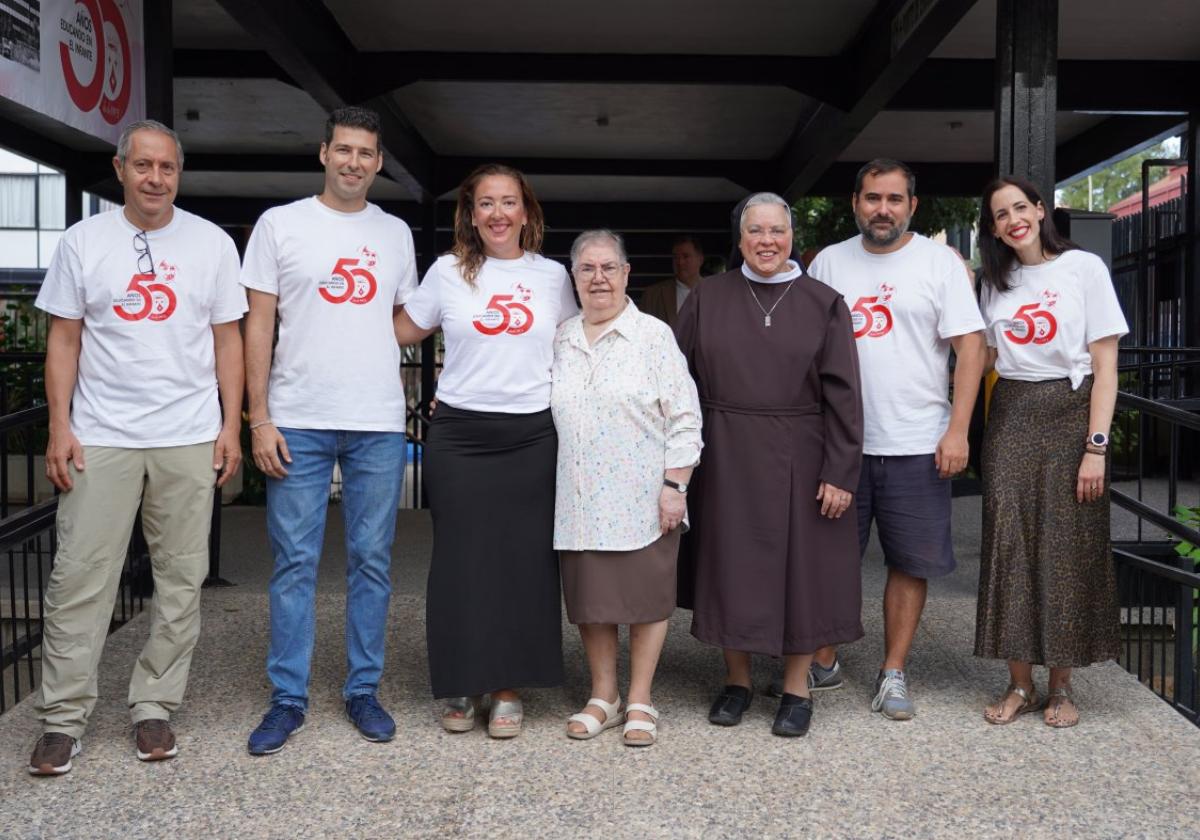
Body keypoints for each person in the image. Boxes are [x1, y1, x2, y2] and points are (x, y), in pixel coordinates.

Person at [28, 120, 245, 775]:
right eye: (143, 166)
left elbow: (227, 340)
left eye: (167, 168)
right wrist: (59, 426)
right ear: (120, 168)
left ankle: (154, 707)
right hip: (102, 436)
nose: (155, 179)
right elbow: (64, 339)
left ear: (179, 173)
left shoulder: (210, 244)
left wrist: (230, 424)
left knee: (180, 583)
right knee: (78, 582)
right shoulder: (82, 242)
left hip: (186, 436)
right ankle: (62, 720)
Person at [240, 107, 418, 755]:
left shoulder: (396, 233)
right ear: (323, 153)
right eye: (343, 150)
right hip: (297, 419)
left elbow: (401, 320)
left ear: (377, 163)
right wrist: (258, 416)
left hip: (375, 420)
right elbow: (257, 324)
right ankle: (288, 697)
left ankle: (362, 690)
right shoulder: (281, 225)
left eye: (366, 153)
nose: (353, 162)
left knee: (372, 563)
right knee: (294, 564)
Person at [393, 164, 577, 737]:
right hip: (461, 436)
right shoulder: (446, 273)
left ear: (527, 211)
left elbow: (577, 344)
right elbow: (402, 332)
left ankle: (506, 686)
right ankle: (463, 680)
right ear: (470, 214)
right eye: (486, 204)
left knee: (523, 563)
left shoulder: (553, 277)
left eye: (509, 202)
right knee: (460, 562)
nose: (498, 214)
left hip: (530, 436)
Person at [805, 159, 987, 720]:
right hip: (842, 444)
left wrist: (958, 430)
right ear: (854, 203)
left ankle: (893, 672)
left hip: (917, 441)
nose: (882, 209)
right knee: (831, 558)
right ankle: (823, 659)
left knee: (910, 562)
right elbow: (805, 351)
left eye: (894, 199)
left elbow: (972, 347)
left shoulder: (938, 264)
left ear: (913, 205)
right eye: (871, 198)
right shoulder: (829, 263)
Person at [677, 192, 863, 738]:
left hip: (802, 453)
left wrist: (840, 469)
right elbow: (674, 380)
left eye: (776, 231)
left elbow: (846, 395)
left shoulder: (824, 302)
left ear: (791, 237)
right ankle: (736, 682)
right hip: (724, 451)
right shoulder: (708, 298)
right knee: (731, 567)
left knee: (800, 574)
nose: (766, 241)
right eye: (755, 231)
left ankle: (797, 688)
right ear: (739, 239)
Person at [975, 176, 1127, 728]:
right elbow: (984, 356)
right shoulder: (995, 280)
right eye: (1000, 214)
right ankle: (1020, 683)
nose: (1013, 219)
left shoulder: (1083, 269)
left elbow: (1106, 367)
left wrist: (1097, 447)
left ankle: (1061, 687)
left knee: (1067, 547)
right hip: (1012, 413)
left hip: (1072, 411)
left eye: (1021, 207)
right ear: (992, 228)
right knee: (1009, 543)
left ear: (1040, 210)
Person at [551, 230, 702, 747]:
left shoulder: (653, 336)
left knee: (645, 602)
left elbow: (685, 417)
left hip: (643, 495)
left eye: (608, 268)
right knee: (591, 602)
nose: (598, 278)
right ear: (573, 277)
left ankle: (640, 698)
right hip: (579, 496)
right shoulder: (562, 336)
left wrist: (674, 485)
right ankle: (603, 696)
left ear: (626, 274)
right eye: (587, 269)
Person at [640, 235, 705, 328]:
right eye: (675, 257)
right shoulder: (653, 295)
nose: (680, 262)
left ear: (700, 259)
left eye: (686, 256)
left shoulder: (715, 293)